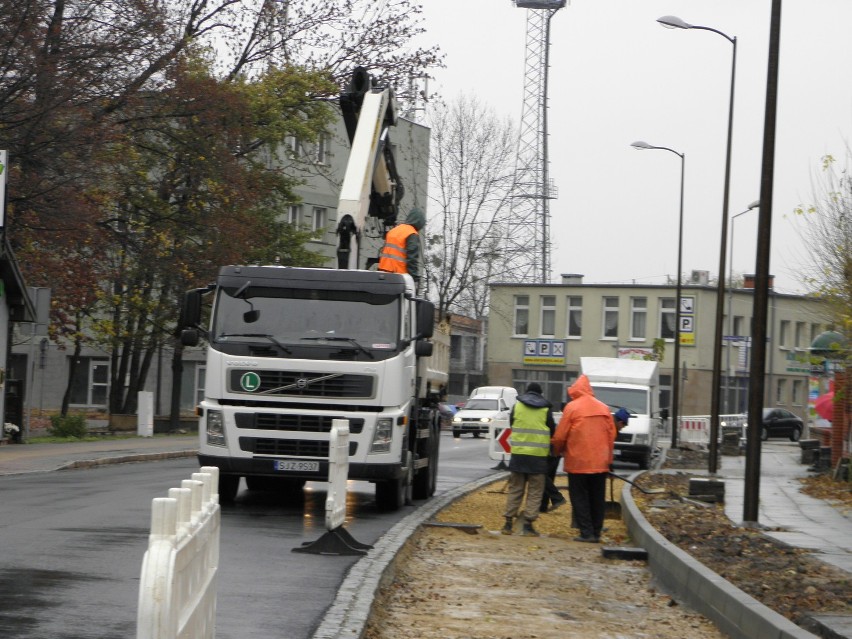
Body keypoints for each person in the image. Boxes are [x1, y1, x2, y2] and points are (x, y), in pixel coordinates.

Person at [551, 374, 617, 543]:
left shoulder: (572, 408)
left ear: (576, 391)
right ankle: (596, 531)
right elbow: (611, 436)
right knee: (597, 498)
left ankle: (586, 532)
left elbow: (560, 436)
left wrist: (556, 451)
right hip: (600, 462)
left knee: (579, 497)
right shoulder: (604, 409)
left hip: (578, 461)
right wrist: (609, 460)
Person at [502, 382, 555, 537]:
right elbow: (552, 430)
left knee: (515, 489)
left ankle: (507, 524)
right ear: (541, 393)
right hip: (538, 457)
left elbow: (512, 424)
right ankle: (528, 526)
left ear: (527, 392)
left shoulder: (517, 406)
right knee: (535, 491)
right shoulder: (546, 409)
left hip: (518, 455)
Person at [377, 207, 425, 285]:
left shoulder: (394, 230)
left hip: (382, 274)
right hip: (398, 277)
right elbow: (412, 259)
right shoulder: (412, 234)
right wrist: (414, 278)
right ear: (419, 223)